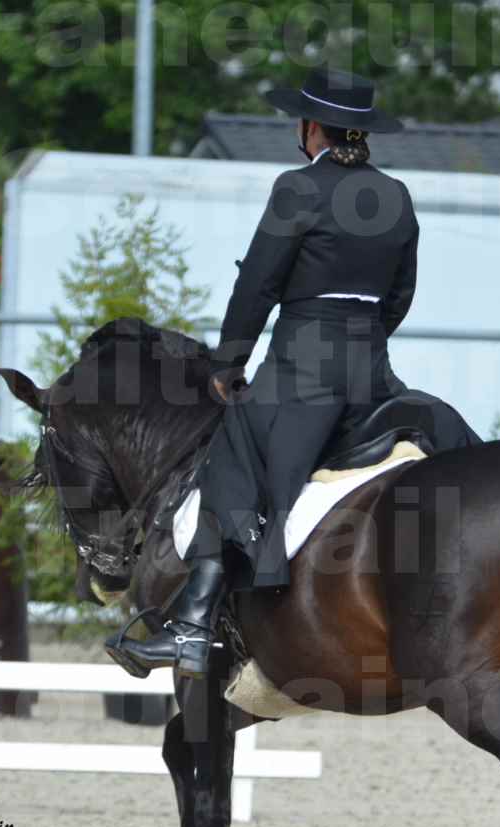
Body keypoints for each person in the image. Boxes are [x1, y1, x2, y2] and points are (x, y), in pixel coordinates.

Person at [107, 66, 418, 679]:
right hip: (374, 376)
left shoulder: (296, 188)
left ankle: (193, 624)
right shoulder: (398, 195)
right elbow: (400, 295)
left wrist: (230, 362)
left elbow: (259, 284)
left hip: (304, 367)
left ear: (314, 128)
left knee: (233, 451)